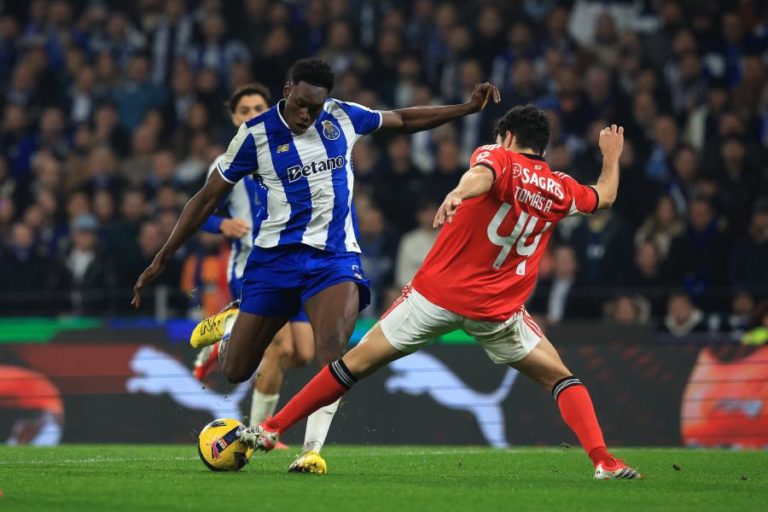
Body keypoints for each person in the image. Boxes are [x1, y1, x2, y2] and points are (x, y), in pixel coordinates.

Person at [131, 58, 499, 468]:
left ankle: (311, 453)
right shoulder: (254, 136)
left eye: (316, 107)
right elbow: (205, 198)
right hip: (274, 262)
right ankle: (233, 323)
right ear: (287, 91)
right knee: (235, 370)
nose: (307, 115)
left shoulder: (342, 116)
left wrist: (465, 109)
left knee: (332, 352)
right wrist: (163, 256)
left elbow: (402, 119)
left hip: (334, 259)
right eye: (302, 104)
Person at [239, 106, 642, 480]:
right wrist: (611, 154)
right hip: (498, 312)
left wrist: (458, 193)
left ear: (506, 136)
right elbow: (604, 196)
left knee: (350, 367)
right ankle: (603, 460)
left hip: (436, 298)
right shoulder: (560, 188)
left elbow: (482, 175)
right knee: (561, 378)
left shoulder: (497, 156)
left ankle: (272, 428)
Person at [190, 82, 332, 473]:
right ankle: (257, 433)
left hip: (298, 263)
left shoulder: (294, 149)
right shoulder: (228, 159)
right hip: (253, 267)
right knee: (276, 344)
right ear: (234, 118)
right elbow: (202, 209)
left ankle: (228, 330)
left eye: (258, 107)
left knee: (299, 353)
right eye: (243, 110)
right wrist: (223, 225)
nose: (252, 114)